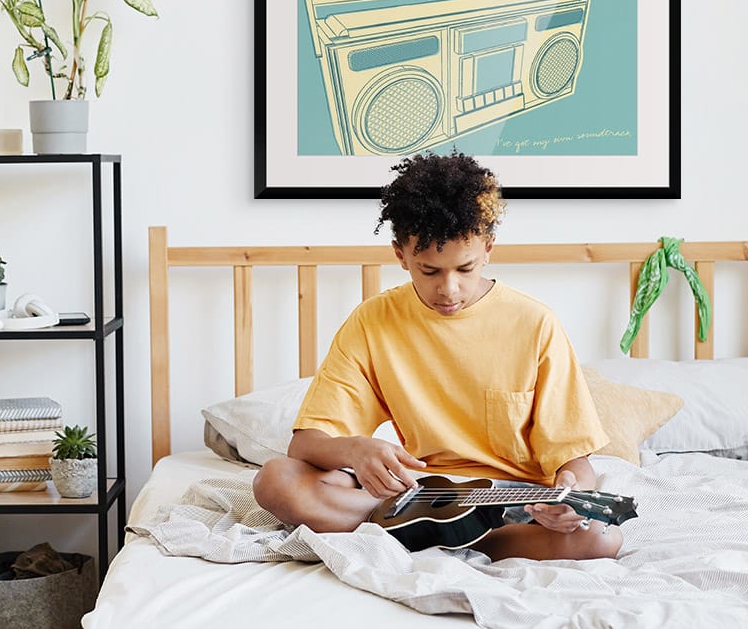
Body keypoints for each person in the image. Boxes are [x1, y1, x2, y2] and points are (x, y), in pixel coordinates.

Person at [252, 152, 622, 561]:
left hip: (513, 504)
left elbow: (576, 461)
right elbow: (305, 446)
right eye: (429, 271)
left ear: (488, 249)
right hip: (420, 496)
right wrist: (356, 449)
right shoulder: (374, 321)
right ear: (401, 255)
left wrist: (571, 495)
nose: (449, 289)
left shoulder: (535, 323)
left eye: (465, 269)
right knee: (275, 481)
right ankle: (433, 531)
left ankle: (433, 538)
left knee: (601, 539)